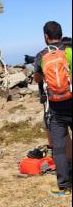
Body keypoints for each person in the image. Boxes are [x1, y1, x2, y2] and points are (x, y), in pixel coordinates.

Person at [34, 22, 73, 196]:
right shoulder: (69, 49)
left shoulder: (41, 55)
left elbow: (37, 79)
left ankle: (64, 187)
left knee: (58, 147)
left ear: (45, 37)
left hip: (57, 108)